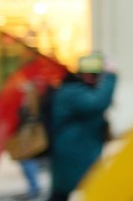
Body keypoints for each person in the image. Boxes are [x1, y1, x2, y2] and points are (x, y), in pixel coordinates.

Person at [49, 53, 116, 201]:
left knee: (64, 193)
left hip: (78, 151)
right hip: (73, 153)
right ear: (88, 76)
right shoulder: (73, 92)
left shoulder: (75, 90)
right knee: (67, 192)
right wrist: (111, 77)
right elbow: (97, 103)